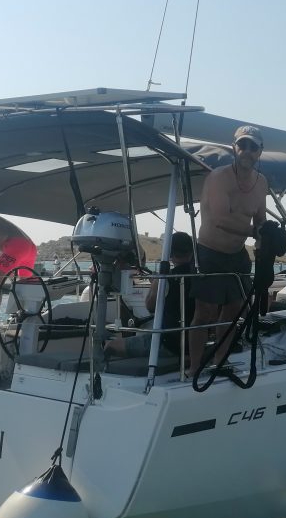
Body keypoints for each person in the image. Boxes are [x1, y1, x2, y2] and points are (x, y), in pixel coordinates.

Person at [189, 124, 269, 372]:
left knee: (234, 312)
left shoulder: (261, 183)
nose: (247, 151)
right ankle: (194, 367)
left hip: (237, 255)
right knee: (204, 313)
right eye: (242, 145)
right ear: (234, 148)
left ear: (260, 151)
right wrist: (255, 232)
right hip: (209, 252)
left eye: (253, 147)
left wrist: (266, 245)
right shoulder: (218, 178)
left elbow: (261, 221)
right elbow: (220, 219)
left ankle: (219, 362)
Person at [104, 231, 195, 360]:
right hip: (195, 343)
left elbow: (150, 307)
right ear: (192, 252)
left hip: (169, 344)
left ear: (170, 254)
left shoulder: (166, 279)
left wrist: (156, 283)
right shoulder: (202, 276)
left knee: (111, 345)